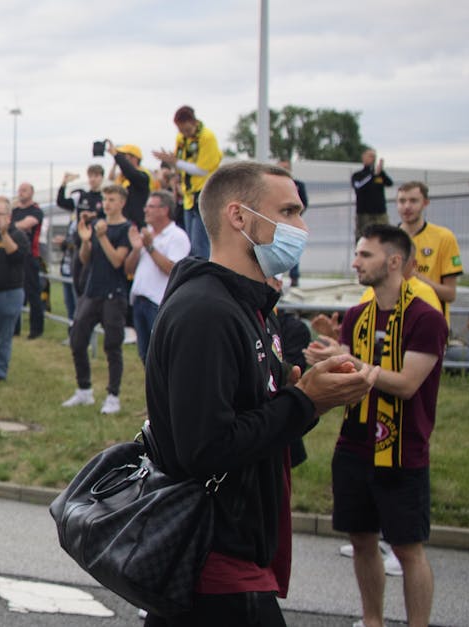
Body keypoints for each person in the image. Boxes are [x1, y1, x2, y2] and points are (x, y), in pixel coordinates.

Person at [143, 161, 377, 626]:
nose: (302, 227)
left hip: (241, 559)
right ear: (239, 217)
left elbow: (253, 422)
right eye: (289, 212)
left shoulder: (250, 307)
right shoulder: (206, 313)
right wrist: (304, 400)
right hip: (213, 571)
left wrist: (302, 395)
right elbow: (206, 447)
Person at [300, 225, 444, 627]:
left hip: (402, 449)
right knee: (361, 541)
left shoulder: (425, 318)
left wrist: (354, 363)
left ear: (394, 261)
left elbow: (407, 384)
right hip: (354, 445)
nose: (355, 262)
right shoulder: (357, 315)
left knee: (407, 548)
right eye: (357, 254)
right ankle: (372, 621)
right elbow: (357, 374)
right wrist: (332, 359)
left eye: (365, 255)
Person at [62, 184, 135, 415]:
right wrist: (85, 241)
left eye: (112, 199)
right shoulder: (95, 225)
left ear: (122, 202)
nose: (107, 203)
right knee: (77, 339)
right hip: (91, 291)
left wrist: (102, 237)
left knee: (112, 346)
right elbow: (85, 259)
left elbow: (117, 261)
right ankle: (84, 389)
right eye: (105, 199)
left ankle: (113, 395)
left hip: (114, 294)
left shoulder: (126, 228)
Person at [375, 182, 459, 318]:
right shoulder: (386, 239)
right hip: (394, 323)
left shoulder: (444, 237)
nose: (407, 206)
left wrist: (414, 276)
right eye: (402, 201)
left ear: (425, 203)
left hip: (431, 325)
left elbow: (450, 294)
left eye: (413, 201)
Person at [126, 191, 189, 364]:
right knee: (145, 357)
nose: (145, 210)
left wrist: (150, 247)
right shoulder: (147, 235)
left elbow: (173, 269)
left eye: (151, 206)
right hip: (139, 302)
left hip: (158, 305)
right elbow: (128, 269)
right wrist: (137, 248)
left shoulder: (177, 236)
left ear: (164, 210)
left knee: (160, 359)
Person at [155, 106, 221, 256]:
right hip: (189, 196)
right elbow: (180, 161)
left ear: (194, 122)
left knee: (200, 246)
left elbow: (203, 169)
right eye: (180, 130)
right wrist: (174, 165)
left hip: (205, 194)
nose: (184, 133)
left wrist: (176, 162)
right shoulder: (181, 138)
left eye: (186, 129)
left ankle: (203, 278)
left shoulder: (207, 137)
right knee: (190, 244)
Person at [0, 197, 29, 382]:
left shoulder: (18, 235)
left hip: (9, 292)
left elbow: (17, 256)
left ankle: (0, 370)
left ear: (9, 217)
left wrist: (4, 234)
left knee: (4, 335)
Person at [56, 166, 107, 320]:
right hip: (81, 245)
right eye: (90, 176)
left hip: (98, 246)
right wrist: (64, 183)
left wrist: (95, 216)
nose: (93, 179)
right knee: (77, 283)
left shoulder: (105, 198)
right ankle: (76, 322)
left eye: (96, 176)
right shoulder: (82, 196)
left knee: (92, 285)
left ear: (101, 177)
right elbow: (62, 202)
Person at [12, 183, 47, 339]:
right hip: (13, 254)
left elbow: (28, 224)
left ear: (32, 193)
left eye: (24, 190)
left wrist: (13, 227)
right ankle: (15, 328)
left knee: (33, 293)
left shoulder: (36, 211)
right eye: (19, 190)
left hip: (30, 256)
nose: (21, 193)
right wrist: (16, 227)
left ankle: (36, 329)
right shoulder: (15, 211)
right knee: (14, 292)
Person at [351, 148, 393, 242]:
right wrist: (372, 175)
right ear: (363, 157)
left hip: (380, 213)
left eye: (374, 156)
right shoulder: (358, 175)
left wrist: (381, 172)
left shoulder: (379, 175)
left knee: (384, 237)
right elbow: (358, 186)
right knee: (364, 238)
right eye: (370, 156)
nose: (373, 158)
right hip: (364, 214)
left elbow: (389, 183)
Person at [110, 144, 153, 228]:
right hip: (122, 221)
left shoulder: (143, 175)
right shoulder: (121, 177)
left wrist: (116, 156)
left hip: (137, 223)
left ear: (134, 158)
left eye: (124, 156)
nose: (122, 159)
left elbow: (131, 173)